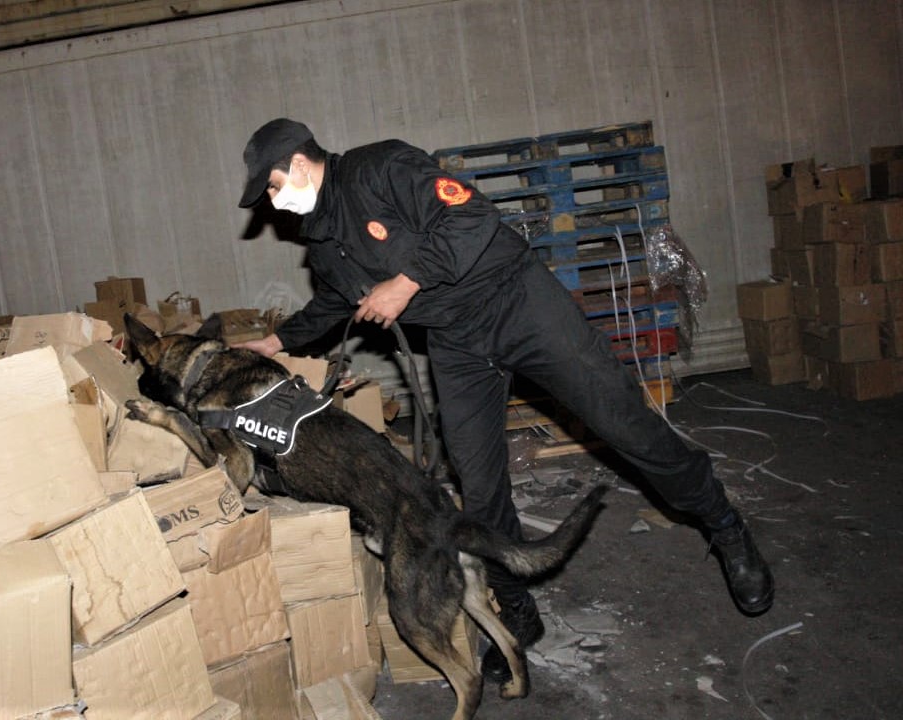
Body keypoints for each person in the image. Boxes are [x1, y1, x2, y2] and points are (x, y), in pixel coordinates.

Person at [234, 118, 774, 683]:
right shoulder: (322, 245)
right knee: (478, 481)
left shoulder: (380, 168)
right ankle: (518, 610)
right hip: (456, 342)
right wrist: (275, 341)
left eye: (271, 187)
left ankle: (723, 523)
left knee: (624, 424)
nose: (272, 204)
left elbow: (472, 216)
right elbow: (331, 306)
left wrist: (406, 282)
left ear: (298, 164)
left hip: (517, 302)